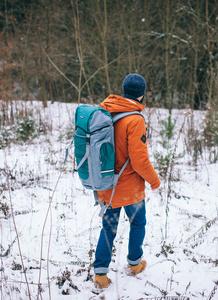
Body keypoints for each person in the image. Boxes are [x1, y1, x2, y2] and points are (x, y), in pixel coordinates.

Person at [93, 73, 161, 289]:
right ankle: (134, 263)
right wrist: (154, 180)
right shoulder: (135, 120)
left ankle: (101, 275)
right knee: (138, 222)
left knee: (108, 228)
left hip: (106, 184)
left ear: (123, 90)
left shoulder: (105, 111)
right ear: (141, 95)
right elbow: (140, 161)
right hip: (129, 188)